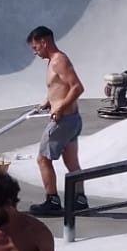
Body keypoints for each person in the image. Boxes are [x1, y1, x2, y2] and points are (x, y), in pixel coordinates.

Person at [25, 25, 87, 217]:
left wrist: (59, 107)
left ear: (44, 42)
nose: (35, 52)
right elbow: (59, 87)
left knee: (42, 159)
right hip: (72, 119)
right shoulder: (53, 60)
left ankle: (52, 200)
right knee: (71, 162)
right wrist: (48, 102)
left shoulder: (58, 61)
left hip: (63, 120)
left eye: (35, 47)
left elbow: (77, 87)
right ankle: (80, 200)